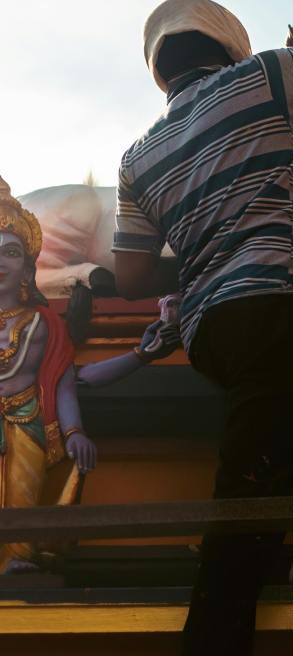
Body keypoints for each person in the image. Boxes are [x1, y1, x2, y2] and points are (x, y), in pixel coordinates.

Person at [112, 0, 293, 655]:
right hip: (275, 308)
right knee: (257, 493)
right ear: (229, 48)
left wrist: (207, 254)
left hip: (213, 333)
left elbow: (131, 278)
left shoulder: (136, 158)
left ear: (159, 67)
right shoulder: (259, 77)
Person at [0, 177, 175, 573]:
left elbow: (67, 382)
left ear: (27, 267)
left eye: (10, 252)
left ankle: (17, 558)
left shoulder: (43, 324)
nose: (1, 262)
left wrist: (75, 431)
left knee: (22, 500)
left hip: (27, 426)